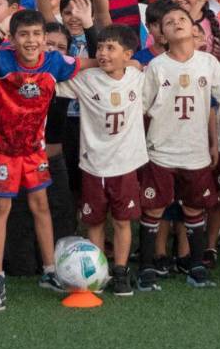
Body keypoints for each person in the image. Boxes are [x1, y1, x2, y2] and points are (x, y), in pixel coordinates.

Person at [140, 3, 220, 288]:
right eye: (169, 20)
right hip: (160, 151)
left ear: (195, 30)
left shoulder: (208, 63)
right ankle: (148, 267)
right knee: (154, 209)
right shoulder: (156, 67)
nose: (176, 22)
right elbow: (140, 109)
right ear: (160, 34)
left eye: (182, 19)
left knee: (194, 208)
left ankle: (197, 266)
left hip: (196, 152)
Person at [0, 9, 81, 299]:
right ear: (11, 39)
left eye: (37, 34)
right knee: (1, 211)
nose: (31, 40)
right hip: (1, 150)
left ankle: (50, 270)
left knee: (42, 206)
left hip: (34, 151)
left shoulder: (54, 62)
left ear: (44, 37)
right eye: (23, 34)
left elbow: (88, 63)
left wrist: (126, 63)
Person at [55, 22, 151, 294]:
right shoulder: (85, 79)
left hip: (125, 164)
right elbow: (55, 82)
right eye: (100, 47)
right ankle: (98, 271)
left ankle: (121, 271)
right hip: (93, 165)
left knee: (122, 221)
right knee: (94, 221)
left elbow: (147, 76)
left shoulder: (138, 77)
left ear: (128, 54)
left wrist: (137, 66)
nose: (104, 53)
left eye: (111, 48)